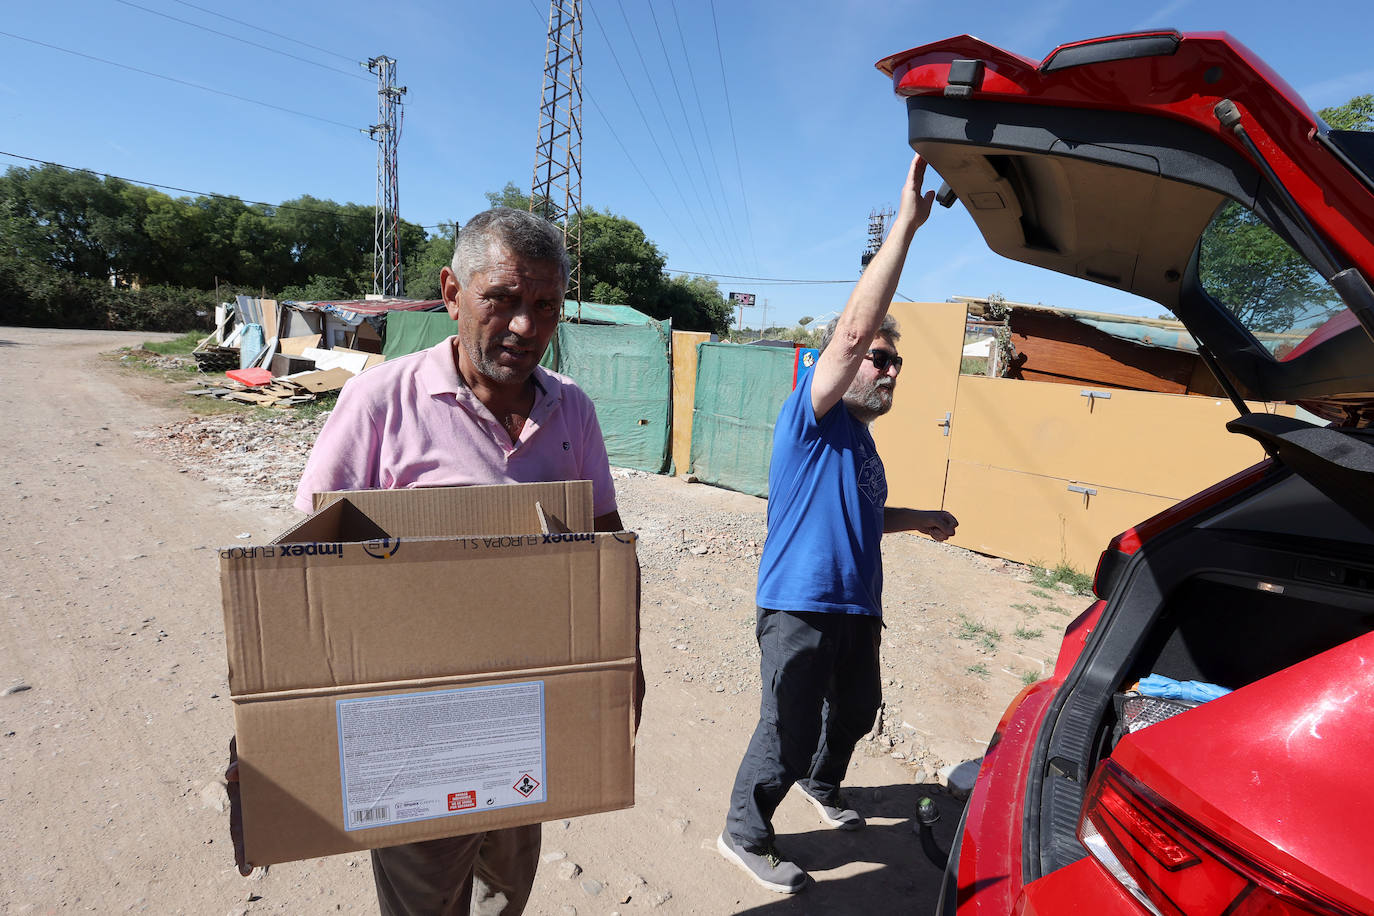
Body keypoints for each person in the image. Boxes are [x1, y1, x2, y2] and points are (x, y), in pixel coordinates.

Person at [228, 207, 625, 916]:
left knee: (507, 883)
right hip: (415, 724)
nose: (525, 328)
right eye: (500, 300)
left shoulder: (574, 412)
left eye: (544, 306)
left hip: (525, 713)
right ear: (450, 293)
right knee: (424, 898)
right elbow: (308, 566)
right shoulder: (380, 402)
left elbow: (606, 548)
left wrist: (624, 664)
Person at [717, 154, 958, 895]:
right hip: (800, 603)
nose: (888, 370)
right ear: (840, 360)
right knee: (784, 732)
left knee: (855, 711)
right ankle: (744, 832)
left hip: (857, 605)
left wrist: (919, 518)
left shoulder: (861, 441)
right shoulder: (811, 417)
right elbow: (853, 330)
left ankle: (823, 788)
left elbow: (864, 514)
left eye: (895, 363)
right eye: (879, 359)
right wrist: (907, 230)